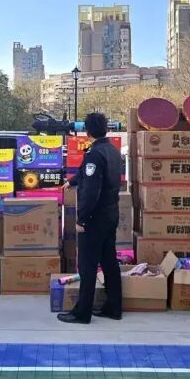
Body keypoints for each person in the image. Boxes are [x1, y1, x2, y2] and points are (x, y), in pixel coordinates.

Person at [58, 112, 123, 324]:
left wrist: (82, 219)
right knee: (109, 262)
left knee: (87, 266)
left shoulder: (94, 154)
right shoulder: (112, 151)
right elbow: (90, 175)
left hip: (94, 219)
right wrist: (73, 181)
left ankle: (82, 313)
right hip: (111, 214)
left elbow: (92, 190)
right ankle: (114, 307)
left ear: (87, 131)